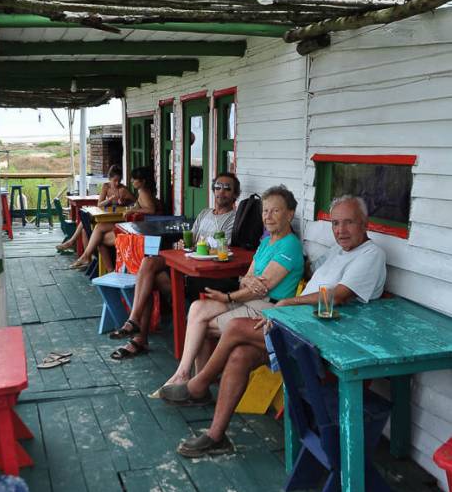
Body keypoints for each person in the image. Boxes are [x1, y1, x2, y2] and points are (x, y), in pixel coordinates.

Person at [161, 194, 387, 458]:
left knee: (235, 328)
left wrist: (287, 302)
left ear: (365, 223)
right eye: (336, 223)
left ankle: (198, 385)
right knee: (239, 355)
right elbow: (307, 268)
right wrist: (270, 278)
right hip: (297, 325)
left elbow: (340, 295)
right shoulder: (339, 250)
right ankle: (216, 436)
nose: (341, 230)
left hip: (324, 338)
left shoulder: (371, 254)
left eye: (349, 222)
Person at [160, 185, 304, 387]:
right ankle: (184, 373)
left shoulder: (290, 244)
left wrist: (228, 297)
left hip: (267, 308)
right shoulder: (266, 242)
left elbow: (263, 288)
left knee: (202, 326)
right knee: (197, 308)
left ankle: (197, 381)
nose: (268, 216)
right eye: (265, 210)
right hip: (249, 300)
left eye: (275, 211)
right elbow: (247, 279)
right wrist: (247, 281)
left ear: (289, 214)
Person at [108, 172, 241, 361]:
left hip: (203, 273)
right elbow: (192, 240)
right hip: (186, 262)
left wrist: (193, 247)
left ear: (235, 194)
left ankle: (139, 337)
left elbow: (221, 248)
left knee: (151, 279)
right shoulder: (205, 213)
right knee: (148, 263)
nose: (221, 192)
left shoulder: (233, 219)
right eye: (218, 187)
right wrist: (183, 244)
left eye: (227, 188)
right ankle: (134, 320)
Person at [70, 166, 158, 271]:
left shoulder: (143, 192)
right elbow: (139, 205)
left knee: (98, 236)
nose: (131, 181)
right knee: (98, 230)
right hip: (134, 227)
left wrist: (133, 210)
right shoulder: (142, 191)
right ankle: (89, 258)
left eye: (134, 179)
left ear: (142, 181)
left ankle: (101, 265)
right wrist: (130, 206)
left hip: (137, 231)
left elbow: (151, 210)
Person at [57, 163, 135, 253]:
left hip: (116, 218)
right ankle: (77, 247)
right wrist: (109, 200)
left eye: (119, 180)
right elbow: (99, 204)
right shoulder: (106, 187)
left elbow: (136, 201)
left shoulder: (123, 189)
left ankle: (72, 242)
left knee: (86, 225)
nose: (117, 183)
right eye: (115, 180)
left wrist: (125, 202)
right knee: (85, 223)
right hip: (105, 216)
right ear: (109, 178)